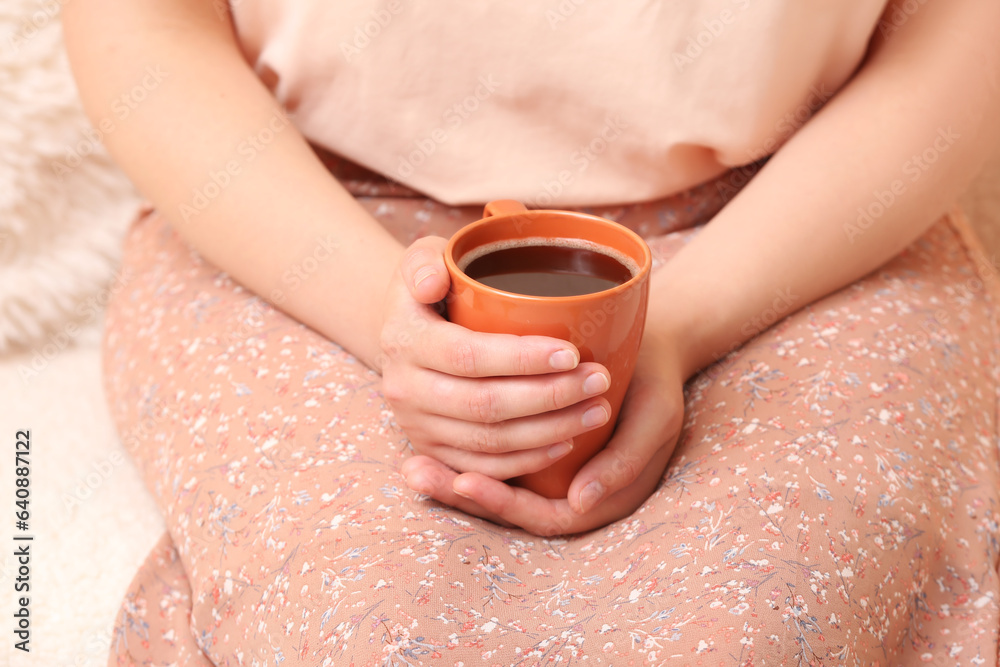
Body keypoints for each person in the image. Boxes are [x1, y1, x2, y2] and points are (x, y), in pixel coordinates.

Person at [63, 0, 1000, 664]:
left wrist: (674, 325)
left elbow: (960, 33)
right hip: (306, 214)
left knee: (772, 625)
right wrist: (397, 325)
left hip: (793, 216)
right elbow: (141, 22)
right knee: (366, 631)